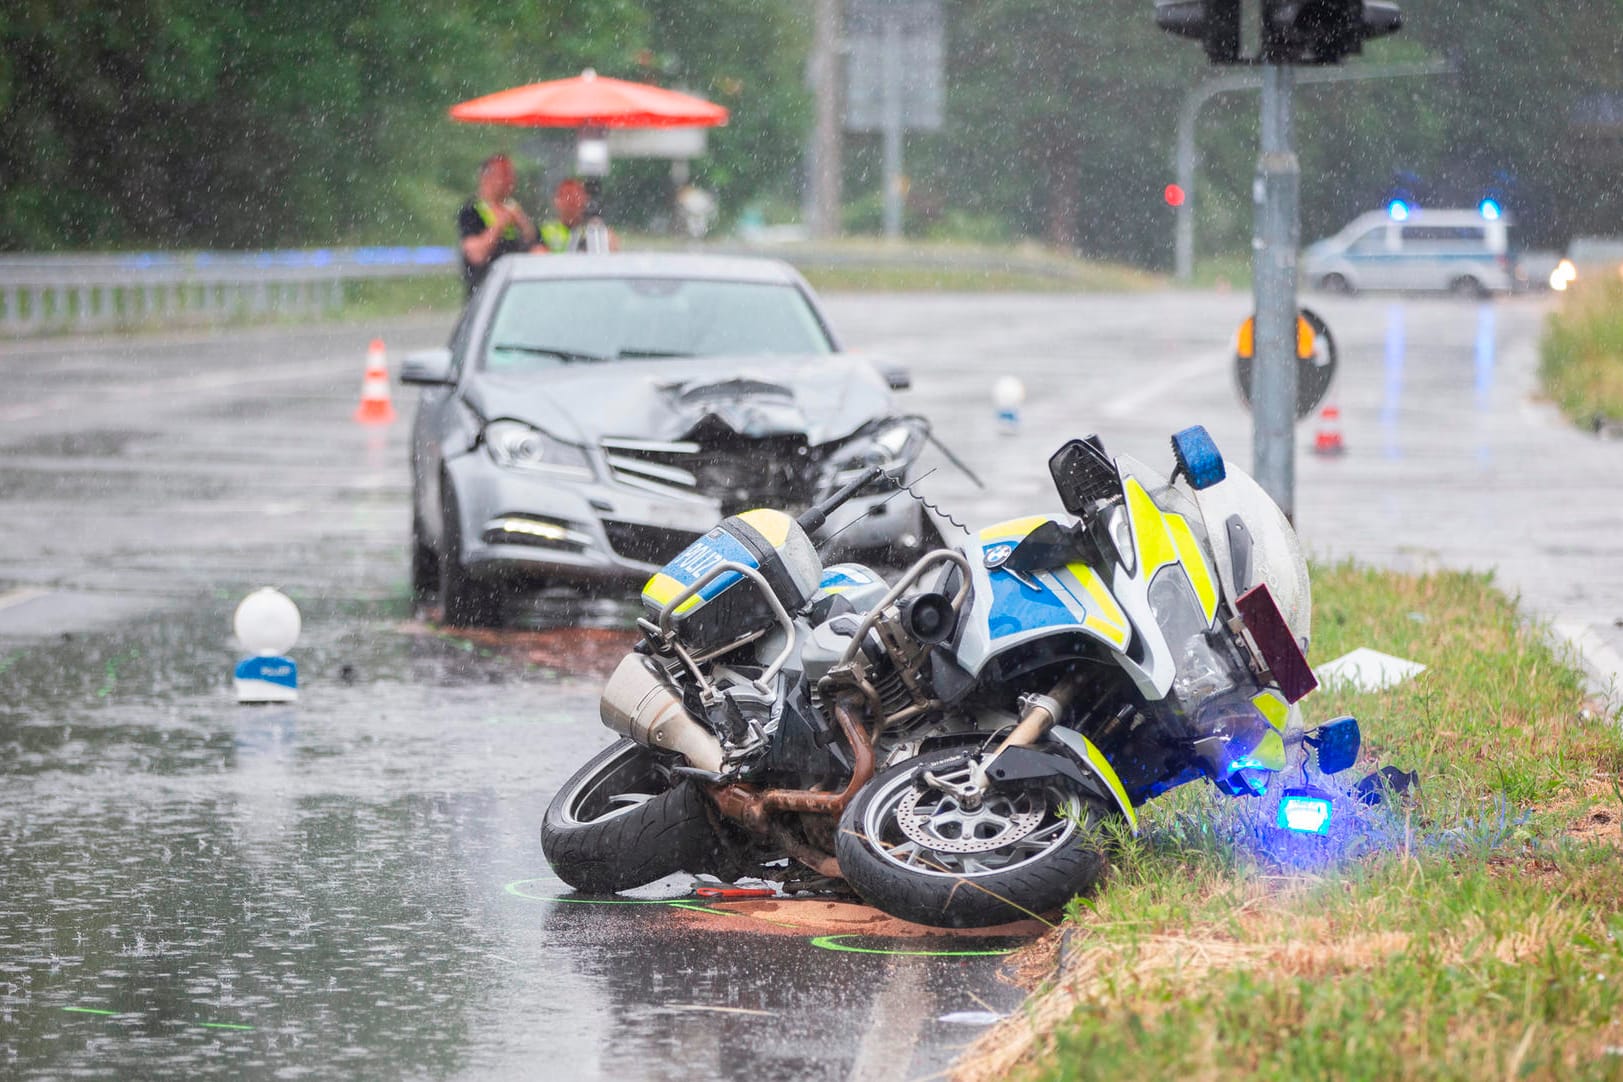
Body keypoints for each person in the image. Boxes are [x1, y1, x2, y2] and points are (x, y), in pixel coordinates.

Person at [457, 154, 539, 295]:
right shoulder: (472, 210)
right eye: (504, 175)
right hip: (484, 291)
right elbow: (476, 255)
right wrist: (499, 224)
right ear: (486, 178)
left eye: (511, 175)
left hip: (516, 292)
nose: (510, 180)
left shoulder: (516, 209)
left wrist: (525, 226)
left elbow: (536, 248)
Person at [539, 178, 618, 253]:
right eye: (566, 194)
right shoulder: (546, 231)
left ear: (585, 199)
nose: (570, 199)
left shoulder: (596, 231)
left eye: (576, 195)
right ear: (556, 201)